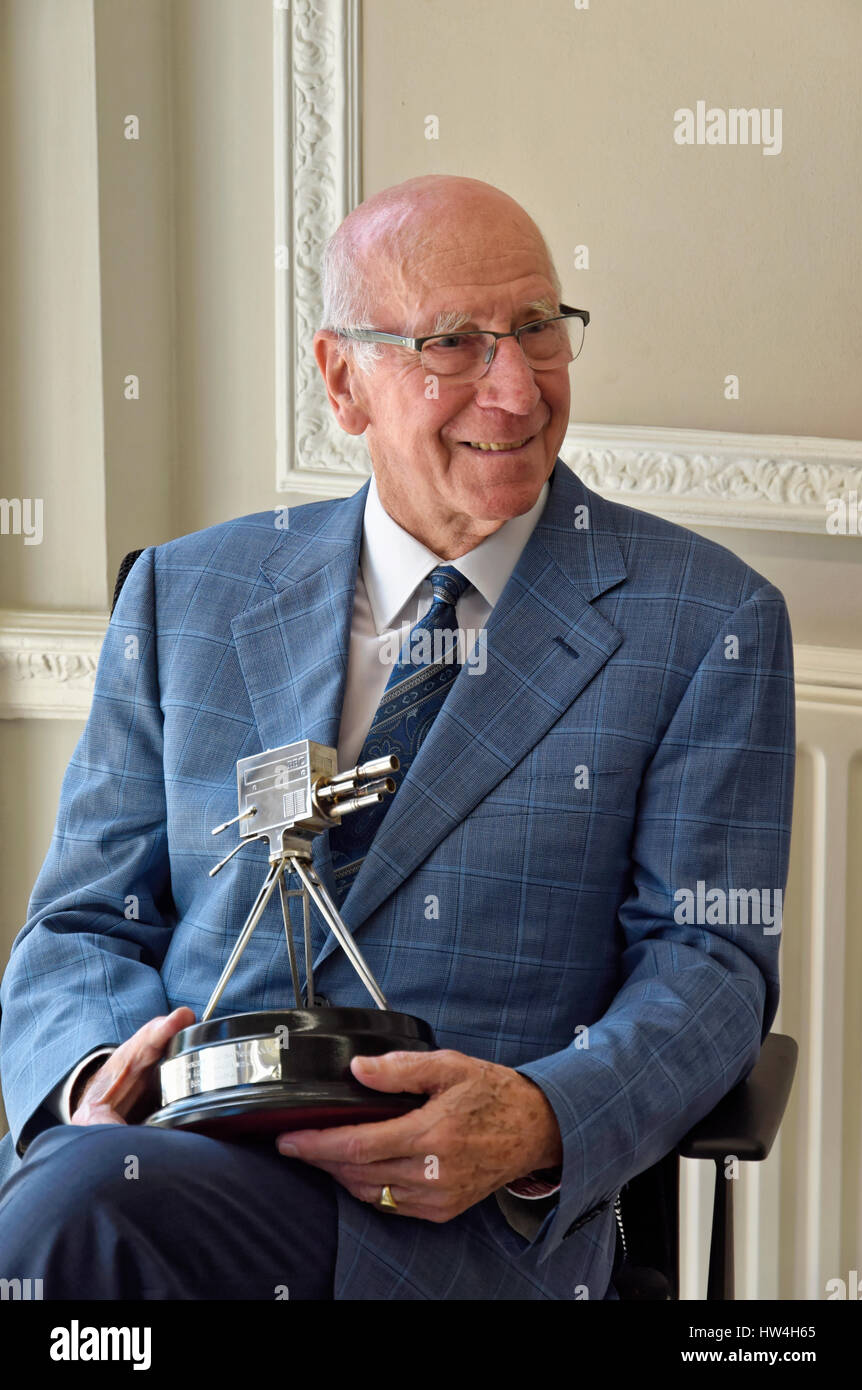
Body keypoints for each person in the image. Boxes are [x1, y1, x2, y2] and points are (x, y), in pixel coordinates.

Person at [0, 174, 795, 1300]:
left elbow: (707, 966)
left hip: (441, 1222)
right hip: (149, 1159)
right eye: (454, 345)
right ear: (343, 380)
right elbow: (81, 921)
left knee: (75, 1236)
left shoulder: (702, 620)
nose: (514, 391)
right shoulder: (189, 595)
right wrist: (91, 1080)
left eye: (535, 331)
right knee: (88, 1212)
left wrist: (535, 1120)